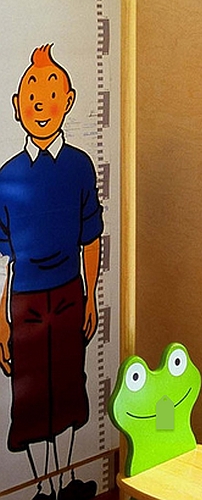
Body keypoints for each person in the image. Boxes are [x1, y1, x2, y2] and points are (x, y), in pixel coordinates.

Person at [0, 44, 103, 500]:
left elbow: (91, 236)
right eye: (32, 95)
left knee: (66, 386)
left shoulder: (80, 167)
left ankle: (65, 480)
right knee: (29, 394)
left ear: (69, 100)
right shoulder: (7, 176)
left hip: (68, 294)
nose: (42, 104)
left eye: (52, 92)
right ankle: (39, 487)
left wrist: (92, 296)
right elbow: (3, 259)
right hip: (24, 300)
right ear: (18, 107)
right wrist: (0, 320)